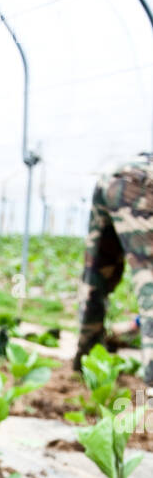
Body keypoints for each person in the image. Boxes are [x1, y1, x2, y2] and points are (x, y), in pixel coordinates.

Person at [74, 151, 153, 383]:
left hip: (113, 178)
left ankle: (86, 359)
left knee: (95, 276)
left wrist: (134, 325)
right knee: (148, 278)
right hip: (142, 183)